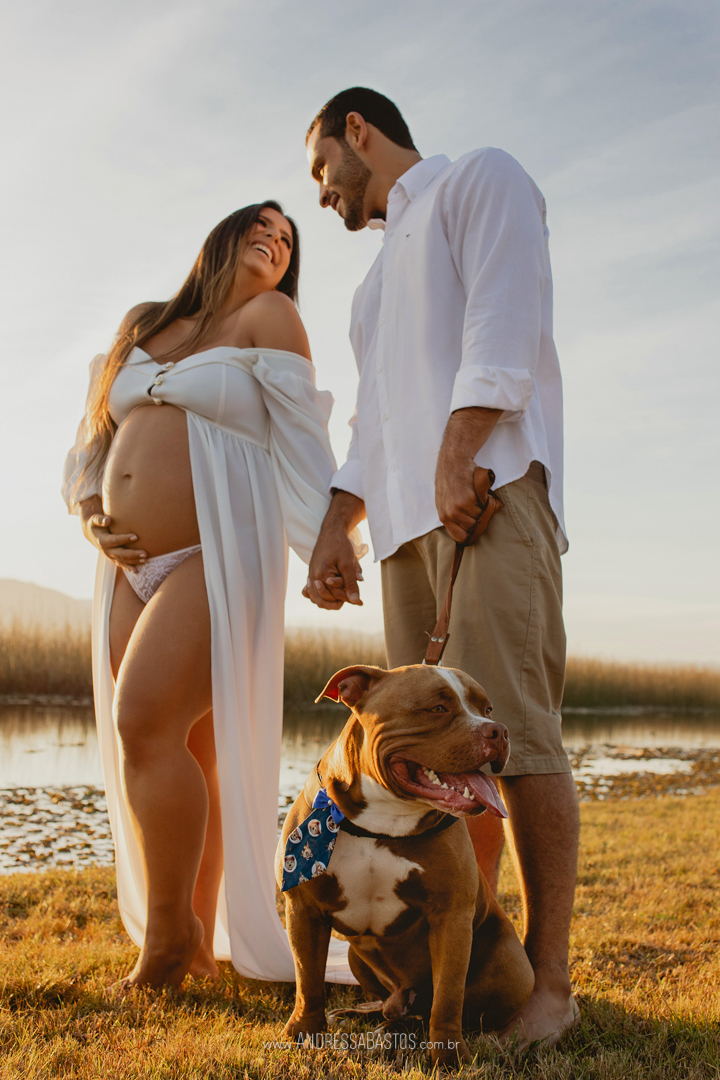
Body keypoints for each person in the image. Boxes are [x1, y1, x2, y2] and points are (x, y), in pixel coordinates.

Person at [302, 88, 579, 1047]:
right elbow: (370, 422)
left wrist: (460, 455)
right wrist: (337, 525)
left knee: (516, 737)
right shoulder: (371, 286)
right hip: (402, 533)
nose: (323, 192)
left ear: (358, 132)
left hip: (486, 495)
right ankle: (469, 965)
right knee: (434, 759)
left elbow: (503, 323)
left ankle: (550, 986)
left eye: (322, 166)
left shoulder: (480, 180)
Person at [62, 201, 359, 988]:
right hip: (127, 566)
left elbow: (302, 435)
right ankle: (196, 946)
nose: (275, 239)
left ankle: (167, 943)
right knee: (190, 749)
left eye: (288, 239)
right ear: (224, 234)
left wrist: (326, 542)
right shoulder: (145, 322)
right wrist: (91, 514)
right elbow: (94, 440)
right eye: (262, 224)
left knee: (143, 720)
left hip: (218, 551)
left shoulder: (270, 316)